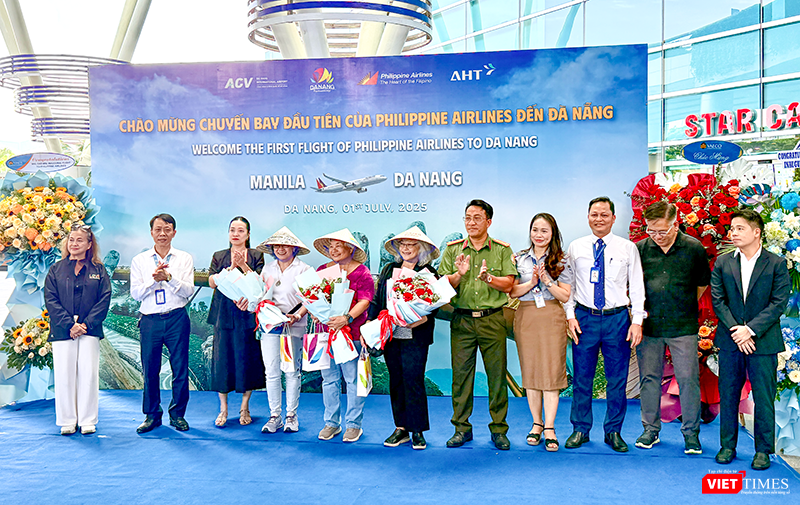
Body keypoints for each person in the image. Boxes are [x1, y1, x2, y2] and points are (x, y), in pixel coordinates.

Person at [563, 196, 645, 453]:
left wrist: (637, 320)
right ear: (588, 217)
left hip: (617, 319)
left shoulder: (627, 248)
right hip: (584, 318)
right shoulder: (576, 248)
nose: (599, 219)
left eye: (604, 214)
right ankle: (580, 429)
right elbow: (569, 286)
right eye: (594, 214)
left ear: (613, 218)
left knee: (617, 379)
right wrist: (570, 315)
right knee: (582, 378)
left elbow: (638, 286)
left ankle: (613, 431)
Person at [711, 209, 790, 470]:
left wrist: (751, 330)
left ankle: (763, 451)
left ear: (757, 232)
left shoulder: (777, 263)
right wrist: (737, 329)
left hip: (763, 341)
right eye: (732, 228)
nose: (733, 233)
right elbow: (718, 301)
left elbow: (778, 304)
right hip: (731, 340)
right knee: (729, 394)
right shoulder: (723, 262)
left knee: (763, 397)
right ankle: (727, 446)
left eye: (739, 228)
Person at [438, 199, 517, 450]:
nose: (471, 223)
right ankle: (461, 428)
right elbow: (442, 286)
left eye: (477, 218)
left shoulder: (502, 250)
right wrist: (459, 274)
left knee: (496, 376)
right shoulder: (453, 250)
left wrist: (489, 278)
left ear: (488, 222)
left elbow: (510, 285)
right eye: (467, 218)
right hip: (461, 320)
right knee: (461, 377)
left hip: (493, 319)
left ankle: (499, 429)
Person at [635, 201, 710, 455]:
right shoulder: (641, 249)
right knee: (649, 379)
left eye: (662, 231)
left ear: (675, 224)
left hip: (683, 325)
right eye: (651, 231)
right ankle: (650, 430)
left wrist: (680, 304)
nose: (657, 237)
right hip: (650, 325)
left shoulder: (693, 248)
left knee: (688, 379)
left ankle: (691, 434)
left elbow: (701, 285)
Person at [369, 226, 440, 450]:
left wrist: (424, 319)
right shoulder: (389, 268)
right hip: (390, 333)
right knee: (396, 379)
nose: (407, 248)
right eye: (403, 245)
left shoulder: (428, 273)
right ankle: (400, 427)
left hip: (415, 334)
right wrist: (370, 324)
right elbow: (378, 298)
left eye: (412, 244)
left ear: (422, 248)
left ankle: (417, 430)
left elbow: (436, 303)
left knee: (414, 379)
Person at [509, 213, 572, 452]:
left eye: (544, 231)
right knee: (532, 372)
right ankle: (536, 424)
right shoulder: (518, 258)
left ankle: (550, 428)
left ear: (552, 234)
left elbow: (565, 296)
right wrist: (531, 281)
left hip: (552, 316)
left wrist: (546, 280)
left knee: (551, 373)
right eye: (535, 230)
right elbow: (513, 292)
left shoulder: (562, 260)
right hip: (526, 316)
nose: (539, 235)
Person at [130, 213, 195, 434]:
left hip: (177, 317)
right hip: (150, 320)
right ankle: (151, 415)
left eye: (167, 230)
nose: (162, 234)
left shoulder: (184, 258)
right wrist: (153, 280)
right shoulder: (140, 261)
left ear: (174, 233)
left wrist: (169, 278)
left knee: (180, 369)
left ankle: (177, 415)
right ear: (151, 232)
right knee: (150, 369)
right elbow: (136, 294)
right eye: (158, 229)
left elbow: (188, 291)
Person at [44, 224, 112, 435]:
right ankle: (67, 420)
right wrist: (69, 324)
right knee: (64, 374)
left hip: (88, 329)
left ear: (89, 244)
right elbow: (51, 299)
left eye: (79, 240)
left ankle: (87, 420)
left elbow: (104, 299)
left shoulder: (98, 270)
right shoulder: (56, 269)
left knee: (88, 374)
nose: (74, 244)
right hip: (63, 329)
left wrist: (85, 325)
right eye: (71, 240)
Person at [313, 228, 375, 443]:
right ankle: (331, 423)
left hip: (352, 334)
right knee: (329, 380)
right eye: (331, 246)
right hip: (327, 332)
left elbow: (365, 300)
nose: (334, 249)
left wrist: (347, 318)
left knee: (352, 380)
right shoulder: (322, 270)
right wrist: (315, 312)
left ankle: (354, 425)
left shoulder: (362, 272)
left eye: (339, 245)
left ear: (351, 248)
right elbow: (312, 296)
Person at [207, 216, 266, 427]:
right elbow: (212, 282)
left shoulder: (257, 255)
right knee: (222, 360)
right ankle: (223, 409)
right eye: (232, 230)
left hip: (246, 314)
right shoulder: (219, 256)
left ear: (248, 234)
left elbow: (260, 284)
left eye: (241, 230)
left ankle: (245, 406)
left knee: (245, 360)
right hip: (223, 313)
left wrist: (244, 266)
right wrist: (231, 267)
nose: (236, 234)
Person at [255, 226, 311, 433]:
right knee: (271, 370)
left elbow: (311, 298)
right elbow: (261, 295)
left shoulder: (304, 269)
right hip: (270, 325)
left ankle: (291, 415)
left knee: (292, 371)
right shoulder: (268, 269)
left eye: (285, 245)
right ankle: (274, 415)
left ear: (294, 248)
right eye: (276, 245)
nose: (280, 249)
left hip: (293, 325)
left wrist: (297, 315)